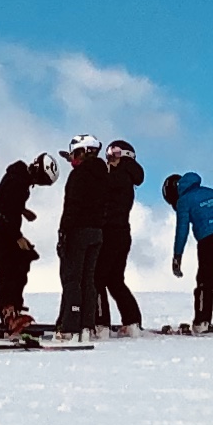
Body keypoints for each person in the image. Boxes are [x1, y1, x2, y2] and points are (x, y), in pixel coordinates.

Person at [52, 134, 117, 332]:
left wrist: (64, 232)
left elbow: (72, 206)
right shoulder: (103, 175)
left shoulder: (79, 175)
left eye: (75, 154)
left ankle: (70, 326)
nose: (72, 159)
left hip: (78, 232)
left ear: (83, 152)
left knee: (72, 279)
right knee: (88, 280)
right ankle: (87, 324)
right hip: (97, 233)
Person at [161, 170, 213, 329]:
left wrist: (177, 256)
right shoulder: (211, 192)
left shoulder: (184, 200)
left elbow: (182, 229)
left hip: (208, 240)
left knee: (205, 280)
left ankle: (202, 321)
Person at [0, 150, 56, 324]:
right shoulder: (18, 182)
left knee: (21, 263)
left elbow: (10, 204)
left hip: (6, 230)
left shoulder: (20, 179)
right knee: (9, 271)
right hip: (3, 232)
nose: (39, 184)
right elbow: (6, 209)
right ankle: (8, 311)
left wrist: (24, 211)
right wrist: (17, 236)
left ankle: (14, 307)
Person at [97, 138, 147, 328]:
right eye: (108, 153)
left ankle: (100, 322)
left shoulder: (118, 176)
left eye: (115, 152)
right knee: (115, 279)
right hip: (122, 233)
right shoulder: (126, 177)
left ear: (126, 156)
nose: (109, 157)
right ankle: (132, 320)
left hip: (110, 232)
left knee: (98, 278)